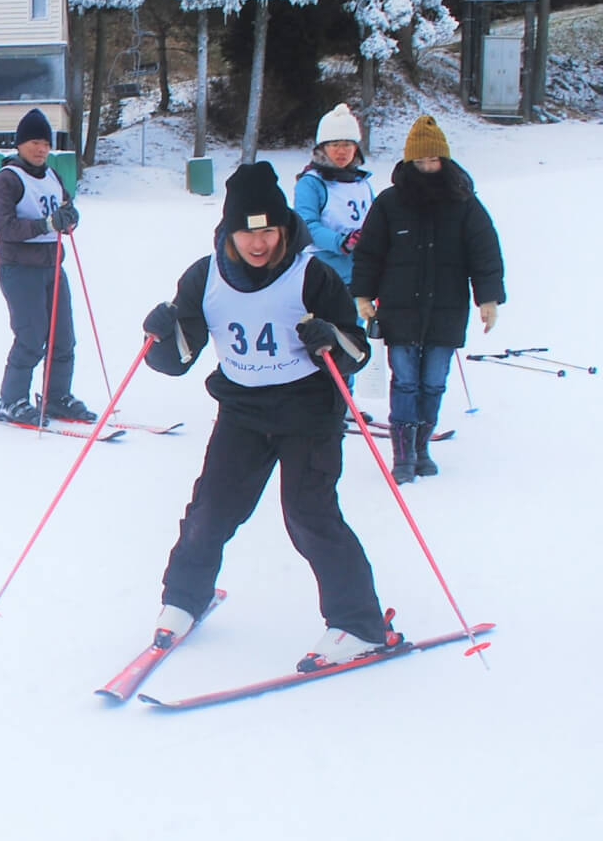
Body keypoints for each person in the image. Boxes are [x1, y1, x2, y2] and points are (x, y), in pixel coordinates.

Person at [140, 161, 399, 671]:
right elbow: (177, 360)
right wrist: (158, 337)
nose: (258, 244)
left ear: (283, 229)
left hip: (309, 412)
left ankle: (360, 624)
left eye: (268, 231)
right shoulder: (204, 276)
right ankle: (185, 599)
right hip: (242, 412)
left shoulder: (313, 274)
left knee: (309, 515)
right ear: (229, 232)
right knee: (210, 510)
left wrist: (330, 337)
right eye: (246, 232)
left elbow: (356, 350)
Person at [350, 115, 505, 482]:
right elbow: (369, 252)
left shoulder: (464, 203)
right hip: (400, 308)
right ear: (408, 163)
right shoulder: (389, 203)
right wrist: (362, 294)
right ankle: (403, 455)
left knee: (434, 380)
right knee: (405, 379)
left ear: (444, 161)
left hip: (447, 308)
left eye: (433, 161)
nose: (426, 168)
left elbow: (485, 252)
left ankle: (422, 448)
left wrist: (488, 299)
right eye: (419, 162)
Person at [0, 107, 93, 426]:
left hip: (52, 266)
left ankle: (56, 396)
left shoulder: (52, 175)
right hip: (19, 268)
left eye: (45, 142)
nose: (40, 148)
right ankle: (11, 400)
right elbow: (3, 227)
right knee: (31, 336)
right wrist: (46, 224)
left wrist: (69, 219)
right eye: (33, 142)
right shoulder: (8, 179)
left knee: (63, 337)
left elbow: (65, 207)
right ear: (19, 145)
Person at [293, 103, 374, 285]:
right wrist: (341, 242)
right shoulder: (311, 183)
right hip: (325, 271)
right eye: (335, 145)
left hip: (362, 270)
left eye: (347, 144)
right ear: (323, 148)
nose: (341, 151)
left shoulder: (362, 183)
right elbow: (306, 225)